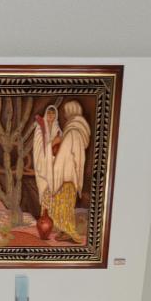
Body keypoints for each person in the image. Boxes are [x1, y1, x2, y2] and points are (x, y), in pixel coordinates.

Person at [50, 100, 91, 243]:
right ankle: (65, 231)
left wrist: (56, 167)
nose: (64, 114)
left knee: (64, 205)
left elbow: (65, 155)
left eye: (66, 111)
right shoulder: (76, 130)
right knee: (65, 205)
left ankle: (71, 233)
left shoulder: (73, 131)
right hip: (71, 175)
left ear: (71, 110)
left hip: (66, 175)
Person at [33, 104, 62, 220]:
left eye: (53, 113)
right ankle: (44, 220)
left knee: (55, 194)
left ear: (56, 116)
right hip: (43, 165)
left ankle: (54, 220)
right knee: (45, 193)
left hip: (55, 167)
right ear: (46, 114)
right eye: (49, 113)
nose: (51, 116)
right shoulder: (40, 128)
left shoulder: (58, 129)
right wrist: (53, 143)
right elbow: (39, 150)